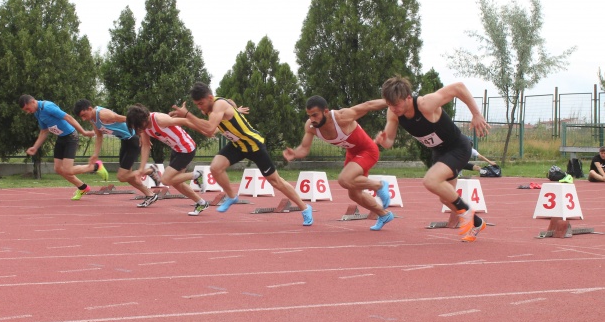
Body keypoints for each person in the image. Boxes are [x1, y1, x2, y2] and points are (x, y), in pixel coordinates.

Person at [170, 81, 313, 226]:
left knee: (276, 181)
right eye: (197, 105)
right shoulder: (209, 108)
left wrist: (186, 116)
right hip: (237, 145)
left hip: (253, 145)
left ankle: (305, 208)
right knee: (215, 167)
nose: (200, 107)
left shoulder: (218, 104)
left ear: (210, 97)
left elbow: (209, 127)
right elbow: (211, 130)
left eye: (201, 103)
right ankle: (232, 196)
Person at [375, 76, 490, 242]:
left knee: (430, 180)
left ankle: (466, 212)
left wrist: (476, 114)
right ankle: (477, 223)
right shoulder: (393, 113)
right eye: (389, 105)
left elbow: (458, 87)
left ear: (408, 97)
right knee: (445, 197)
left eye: (396, 104)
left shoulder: (425, 104)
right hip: (440, 152)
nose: (393, 108)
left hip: (458, 147)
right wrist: (383, 140)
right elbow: (389, 141)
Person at [283, 95, 393, 230]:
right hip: (353, 154)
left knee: (344, 179)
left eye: (315, 115)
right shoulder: (311, 126)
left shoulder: (341, 117)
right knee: (354, 194)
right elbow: (304, 148)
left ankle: (379, 185)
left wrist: (392, 101)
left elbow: (367, 105)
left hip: (368, 151)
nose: (312, 119)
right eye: (309, 115)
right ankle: (384, 214)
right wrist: (294, 153)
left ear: (326, 111)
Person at [125, 103, 210, 216]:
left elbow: (184, 121)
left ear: (143, 119)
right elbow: (145, 146)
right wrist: (141, 168)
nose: (139, 130)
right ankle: (201, 202)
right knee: (176, 182)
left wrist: (204, 131)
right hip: (176, 149)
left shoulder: (159, 119)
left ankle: (196, 174)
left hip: (186, 148)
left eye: (139, 126)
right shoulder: (144, 127)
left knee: (165, 180)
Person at [73, 99, 160, 208]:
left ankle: (150, 170)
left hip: (133, 140)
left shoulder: (104, 115)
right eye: (81, 117)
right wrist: (95, 154)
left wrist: (143, 135)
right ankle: (150, 195)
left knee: (122, 176)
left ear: (90, 109)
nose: (84, 119)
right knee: (129, 177)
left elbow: (129, 119)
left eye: (84, 115)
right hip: (125, 141)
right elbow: (99, 135)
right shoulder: (93, 119)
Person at [18, 94, 106, 200]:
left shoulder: (48, 107)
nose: (28, 111)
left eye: (28, 108)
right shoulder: (37, 113)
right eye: (25, 110)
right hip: (61, 138)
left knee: (68, 169)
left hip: (71, 137)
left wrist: (83, 132)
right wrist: (35, 147)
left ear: (32, 102)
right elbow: (44, 131)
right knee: (58, 169)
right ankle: (83, 187)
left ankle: (96, 166)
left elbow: (68, 117)